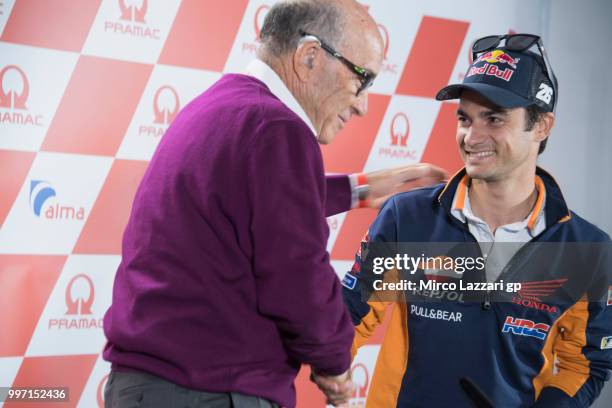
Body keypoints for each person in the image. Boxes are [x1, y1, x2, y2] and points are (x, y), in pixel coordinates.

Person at [102, 1, 446, 407]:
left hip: (155, 386)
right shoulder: (277, 128)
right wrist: (335, 361)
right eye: (362, 79)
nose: (362, 105)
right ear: (309, 57)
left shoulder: (222, 106)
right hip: (210, 391)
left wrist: (360, 189)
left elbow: (252, 201)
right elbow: (296, 273)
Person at [337, 34, 612, 407]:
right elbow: (350, 318)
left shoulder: (588, 250)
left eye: (494, 118)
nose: (472, 136)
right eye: (464, 118)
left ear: (542, 126)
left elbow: (584, 363)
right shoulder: (407, 217)